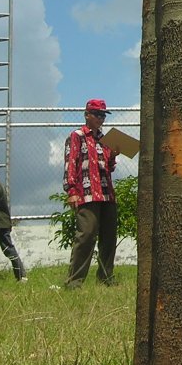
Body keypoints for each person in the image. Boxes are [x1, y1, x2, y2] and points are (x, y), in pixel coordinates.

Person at [63, 98, 118, 287]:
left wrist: (113, 156)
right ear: (87, 115)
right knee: (86, 235)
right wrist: (71, 190)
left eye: (103, 115)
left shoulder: (107, 139)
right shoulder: (77, 136)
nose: (100, 118)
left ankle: (105, 277)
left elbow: (109, 168)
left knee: (109, 237)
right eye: (96, 114)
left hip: (106, 193)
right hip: (86, 192)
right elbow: (71, 163)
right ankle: (74, 281)